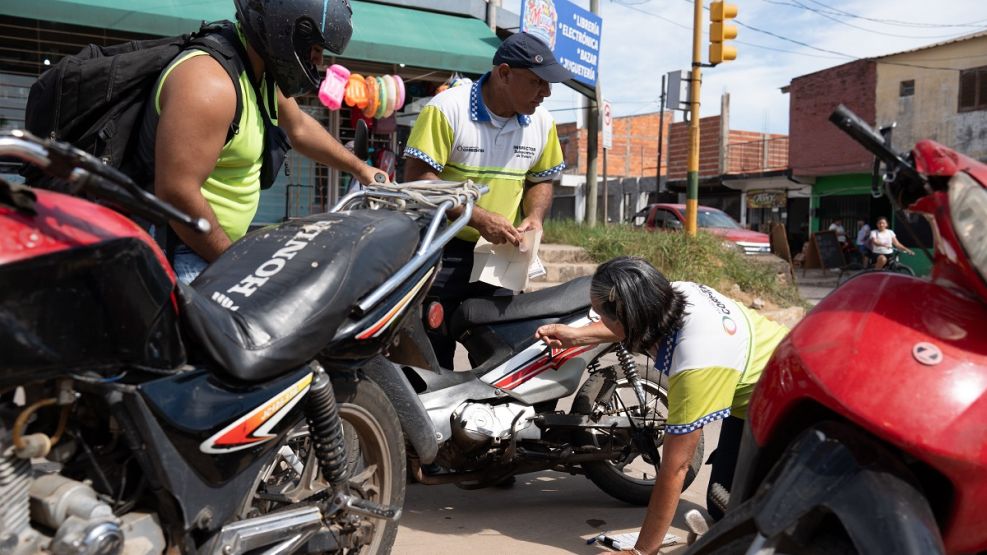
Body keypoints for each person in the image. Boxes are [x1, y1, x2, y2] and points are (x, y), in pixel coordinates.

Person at [535, 257, 789, 555]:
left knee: (753, 519)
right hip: (758, 382)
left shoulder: (695, 362)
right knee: (721, 502)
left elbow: (676, 468)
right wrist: (577, 336)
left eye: (599, 313)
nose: (597, 319)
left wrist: (642, 551)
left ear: (624, 314)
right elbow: (632, 324)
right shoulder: (673, 293)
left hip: (784, 401)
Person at [141, 0, 386, 284]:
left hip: (218, 247)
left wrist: (361, 169)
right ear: (285, 29)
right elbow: (177, 193)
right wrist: (235, 265)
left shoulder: (259, 74)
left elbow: (299, 127)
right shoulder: (210, 84)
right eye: (316, 49)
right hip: (182, 250)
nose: (319, 61)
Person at [402, 32, 570, 368]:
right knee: (431, 361)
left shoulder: (542, 122)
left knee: (503, 359)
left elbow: (541, 179)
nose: (546, 93)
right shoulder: (446, 109)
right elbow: (419, 180)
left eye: (549, 84)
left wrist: (535, 216)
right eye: (537, 82)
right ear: (504, 73)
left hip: (501, 256)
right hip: (441, 250)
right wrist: (477, 217)